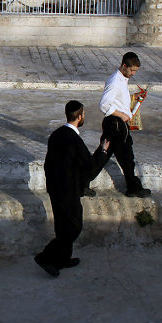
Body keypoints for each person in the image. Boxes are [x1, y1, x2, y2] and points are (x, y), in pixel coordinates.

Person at [34, 100, 110, 277]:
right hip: (68, 191)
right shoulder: (75, 140)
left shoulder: (56, 134)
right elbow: (89, 167)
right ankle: (45, 257)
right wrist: (103, 151)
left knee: (62, 226)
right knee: (73, 227)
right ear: (80, 116)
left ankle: (63, 260)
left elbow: (48, 163)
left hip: (55, 188)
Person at [96, 52, 152, 198]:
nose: (133, 73)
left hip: (115, 125)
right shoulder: (115, 81)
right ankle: (134, 188)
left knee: (103, 155)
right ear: (124, 65)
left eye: (135, 71)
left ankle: (82, 183)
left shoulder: (122, 79)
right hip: (116, 125)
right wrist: (122, 115)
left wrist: (134, 97)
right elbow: (104, 104)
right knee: (127, 158)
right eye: (132, 70)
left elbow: (118, 100)